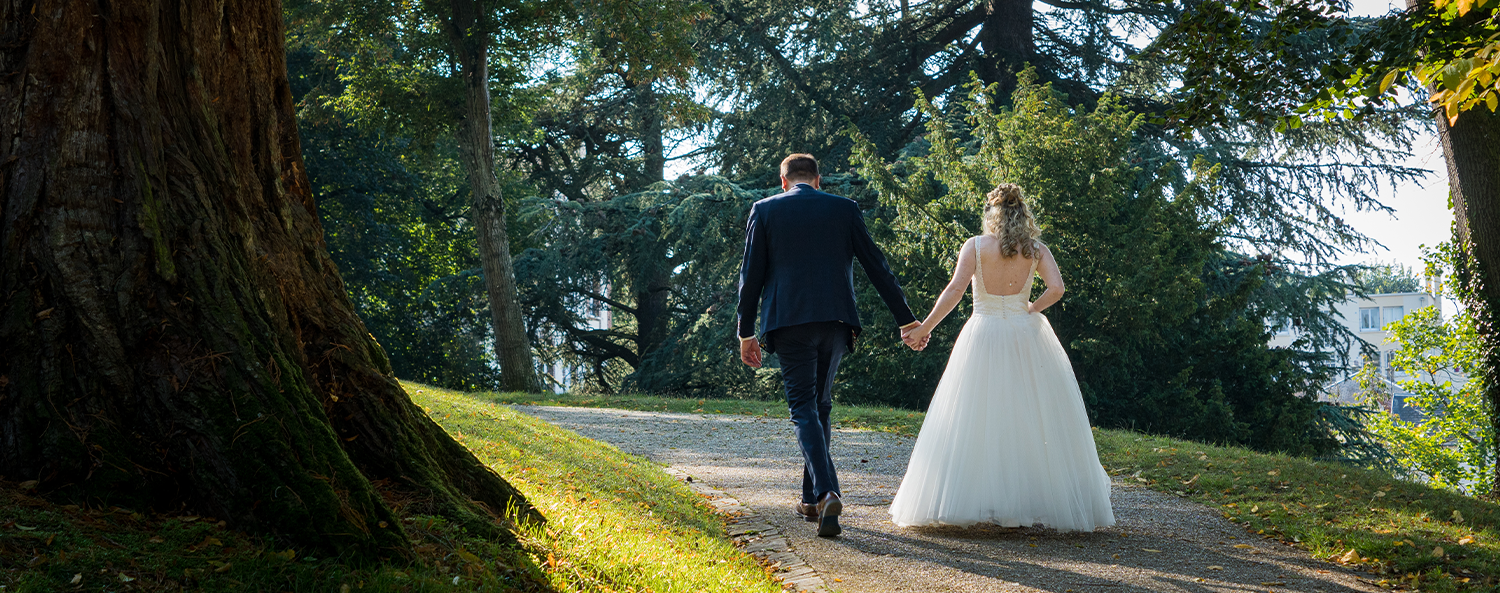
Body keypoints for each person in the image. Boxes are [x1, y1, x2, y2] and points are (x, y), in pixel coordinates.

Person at [888, 183, 1114, 531]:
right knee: (1027, 415)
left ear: (991, 214)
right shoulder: (1036, 250)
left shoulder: (975, 247)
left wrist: (923, 328)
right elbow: (1057, 288)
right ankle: (1025, 501)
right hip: (1024, 336)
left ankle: (980, 500)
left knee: (976, 415)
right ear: (1022, 214)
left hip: (983, 333)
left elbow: (954, 291)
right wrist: (1031, 309)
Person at [737, 153, 925, 537]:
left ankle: (826, 492)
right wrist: (906, 318)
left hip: (788, 323)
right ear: (818, 180)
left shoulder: (765, 210)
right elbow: (877, 266)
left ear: (783, 180)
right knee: (819, 404)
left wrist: (745, 331)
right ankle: (811, 501)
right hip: (837, 322)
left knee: (804, 407)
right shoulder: (844, 209)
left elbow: (750, 275)